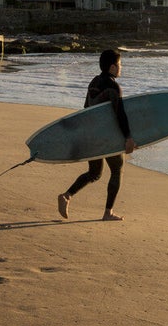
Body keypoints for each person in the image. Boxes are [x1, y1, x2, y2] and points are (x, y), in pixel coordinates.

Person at [57, 49, 137, 221]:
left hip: (91, 134)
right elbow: (120, 114)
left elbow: (86, 108)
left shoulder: (94, 82)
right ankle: (108, 212)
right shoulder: (113, 87)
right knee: (117, 169)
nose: (121, 68)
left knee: (95, 173)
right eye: (120, 64)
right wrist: (128, 137)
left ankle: (67, 195)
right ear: (112, 67)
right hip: (106, 137)